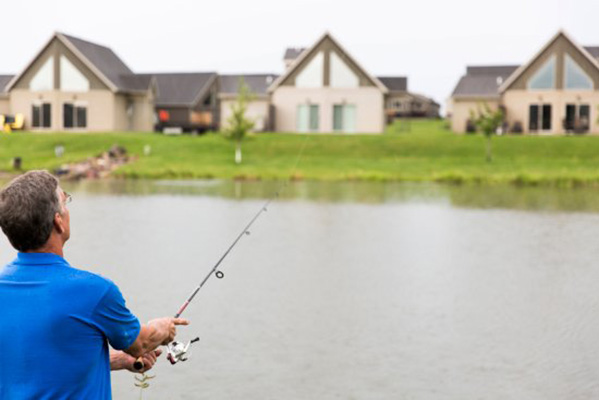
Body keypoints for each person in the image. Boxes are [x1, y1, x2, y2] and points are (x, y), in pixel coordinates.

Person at [0, 170, 189, 399]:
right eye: (65, 201)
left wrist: (116, 360)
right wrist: (163, 327)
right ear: (58, 222)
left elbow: (32, 363)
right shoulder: (94, 292)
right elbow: (141, 343)